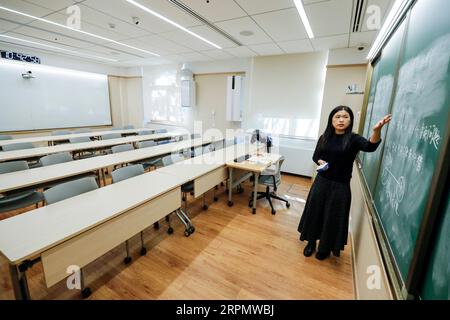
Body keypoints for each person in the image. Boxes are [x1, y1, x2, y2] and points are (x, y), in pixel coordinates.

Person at [298, 106, 391, 260]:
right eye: (337, 116)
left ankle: (325, 247)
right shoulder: (325, 137)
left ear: (350, 120)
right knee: (315, 213)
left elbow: (371, 147)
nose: (341, 120)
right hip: (321, 182)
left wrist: (376, 130)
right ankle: (311, 242)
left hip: (340, 186)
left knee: (332, 216)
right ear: (331, 119)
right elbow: (315, 156)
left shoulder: (353, 139)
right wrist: (320, 161)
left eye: (345, 116)